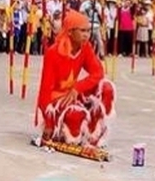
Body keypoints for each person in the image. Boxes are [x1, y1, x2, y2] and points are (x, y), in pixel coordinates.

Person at [36, 10, 115, 149]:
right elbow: (44, 90)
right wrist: (48, 123)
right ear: (70, 32)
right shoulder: (53, 52)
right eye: (82, 31)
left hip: (73, 93)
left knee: (106, 88)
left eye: (88, 31)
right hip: (57, 100)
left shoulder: (85, 47)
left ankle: (94, 133)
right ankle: (63, 129)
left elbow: (98, 72)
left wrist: (78, 88)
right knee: (75, 115)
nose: (87, 35)